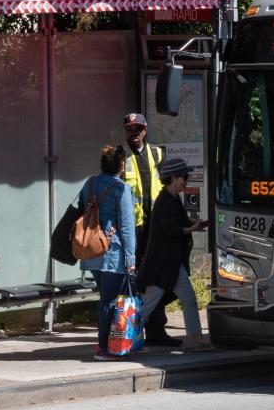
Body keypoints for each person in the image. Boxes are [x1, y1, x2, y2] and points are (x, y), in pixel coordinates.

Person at [120, 112, 180, 347]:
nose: (132, 133)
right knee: (133, 279)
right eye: (129, 129)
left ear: (145, 130)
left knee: (155, 277)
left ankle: (156, 330)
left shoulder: (157, 154)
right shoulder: (120, 154)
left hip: (155, 226)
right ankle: (131, 331)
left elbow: (169, 188)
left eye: (137, 129)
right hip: (132, 227)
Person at [138, 157, 211, 349]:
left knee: (187, 298)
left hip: (170, 263)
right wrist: (192, 228)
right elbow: (171, 230)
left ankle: (196, 338)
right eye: (184, 176)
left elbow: (180, 223)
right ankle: (125, 336)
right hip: (162, 265)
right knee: (148, 305)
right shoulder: (164, 202)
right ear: (173, 178)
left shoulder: (171, 198)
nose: (186, 180)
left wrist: (197, 225)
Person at [78, 146, 136, 361]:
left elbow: (83, 208)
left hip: (91, 250)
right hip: (113, 252)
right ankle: (103, 347)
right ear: (121, 165)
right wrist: (131, 260)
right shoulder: (121, 189)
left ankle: (116, 342)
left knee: (106, 298)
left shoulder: (90, 183)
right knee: (109, 301)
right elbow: (127, 228)